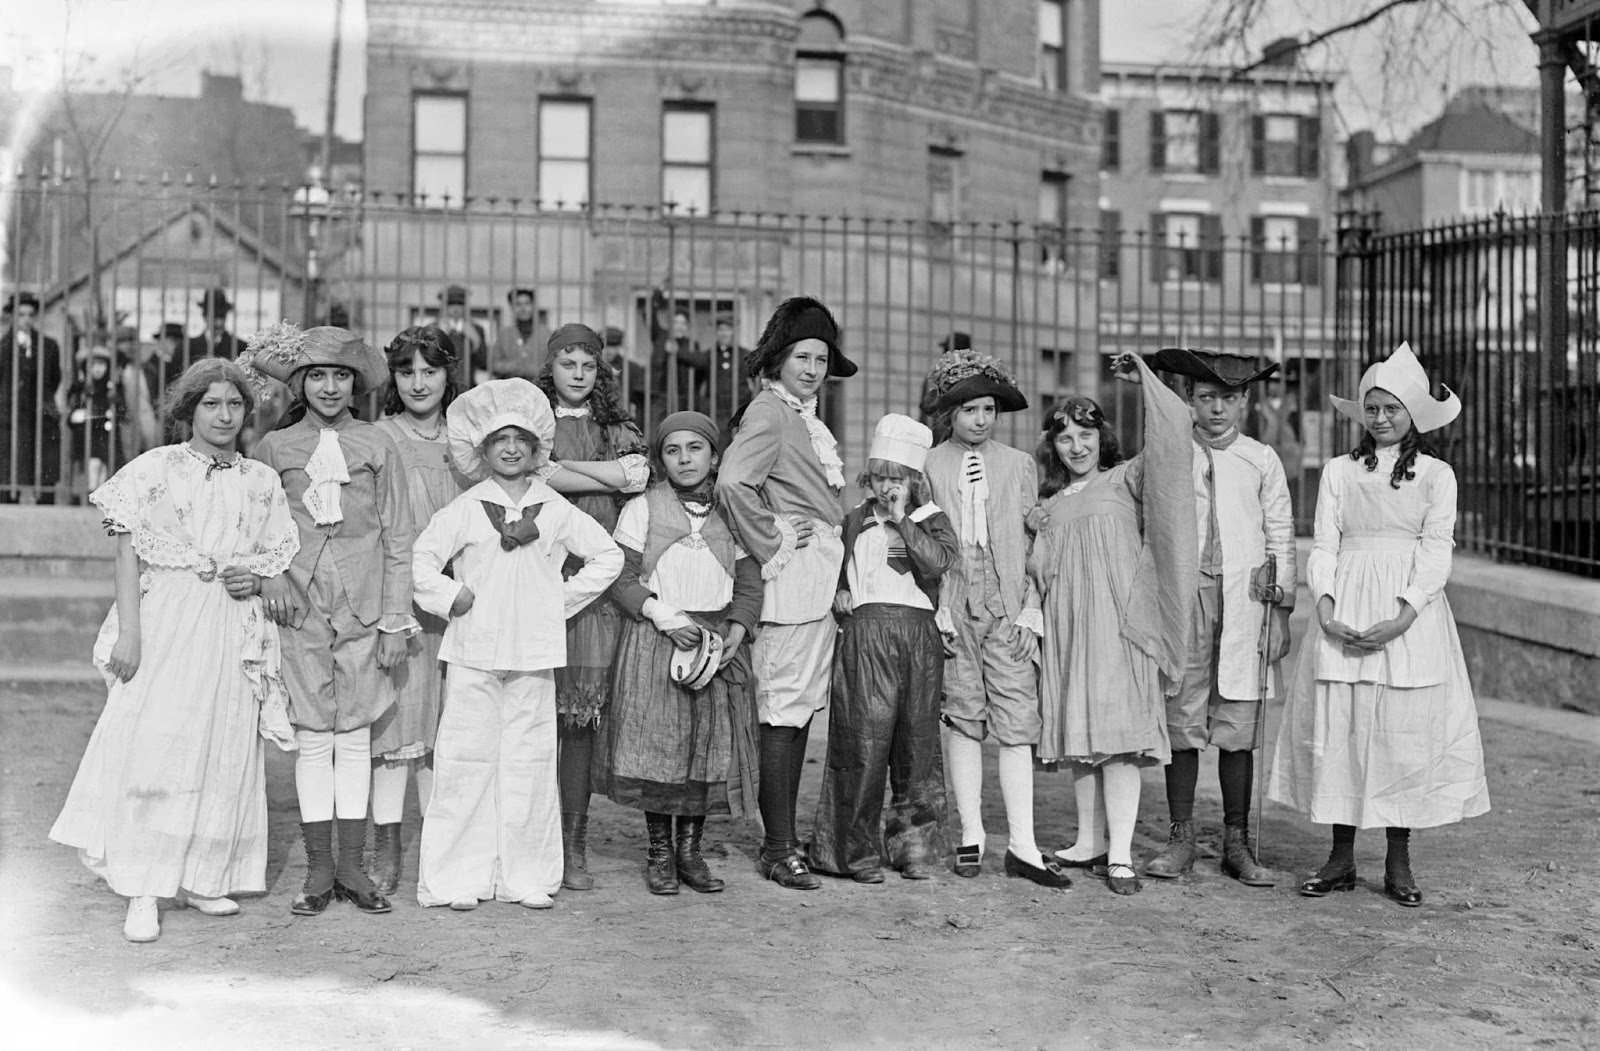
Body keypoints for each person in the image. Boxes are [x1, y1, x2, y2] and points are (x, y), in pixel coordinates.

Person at [49, 358, 299, 942]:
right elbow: (126, 555)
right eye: (211, 404)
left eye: (234, 404)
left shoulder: (259, 480)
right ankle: (145, 885)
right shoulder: (156, 468)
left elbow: (272, 557)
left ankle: (203, 876)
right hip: (168, 619)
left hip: (232, 625)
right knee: (158, 742)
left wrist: (256, 579)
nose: (224, 415)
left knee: (223, 742)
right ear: (188, 410)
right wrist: (131, 633)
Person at [1269, 342, 1489, 908]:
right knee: (1342, 725)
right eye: (1373, 407)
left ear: (1412, 415)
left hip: (1405, 613)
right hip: (1346, 603)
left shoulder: (1437, 477)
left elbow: (1437, 550)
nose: (1381, 418)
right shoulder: (1341, 473)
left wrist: (1405, 614)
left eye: (1392, 408)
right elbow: (1324, 542)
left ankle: (1398, 858)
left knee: (1400, 731)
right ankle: (1340, 856)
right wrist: (1323, 605)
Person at [412, 379, 623, 911]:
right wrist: (451, 594)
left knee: (528, 762)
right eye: (499, 439)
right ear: (481, 451)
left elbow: (607, 556)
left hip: (533, 651)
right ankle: (458, 877)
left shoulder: (553, 509)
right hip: (473, 649)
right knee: (465, 759)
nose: (510, 448)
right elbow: (421, 562)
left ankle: (526, 874)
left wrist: (560, 599)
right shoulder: (464, 509)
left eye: (521, 439)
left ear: (537, 450)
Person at [249, 323, 417, 918]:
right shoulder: (274, 449)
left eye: (340, 376)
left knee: (355, 735)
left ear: (356, 384)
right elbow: (260, 530)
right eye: (315, 375)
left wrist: (396, 619)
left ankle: (352, 863)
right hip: (299, 610)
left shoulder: (378, 444)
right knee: (313, 736)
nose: (328, 387)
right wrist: (273, 579)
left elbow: (399, 536)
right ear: (298, 383)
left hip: (365, 608)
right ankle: (319, 868)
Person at [1031, 354, 1197, 895]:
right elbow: (1037, 570)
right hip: (1070, 628)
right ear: (1052, 448)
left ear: (1103, 438)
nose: (1076, 447)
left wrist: (1143, 380)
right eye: (1064, 439)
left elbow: (1174, 435)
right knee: (1082, 734)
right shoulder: (1049, 505)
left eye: (1086, 435)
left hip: (1121, 625)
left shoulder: (1127, 479)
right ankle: (1088, 840)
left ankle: (1121, 853)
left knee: (1120, 737)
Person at [1140, 348, 1296, 887]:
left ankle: (1236, 840)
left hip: (1245, 601)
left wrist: (1281, 611)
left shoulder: (1260, 459)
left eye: (1228, 399)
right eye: (1206, 398)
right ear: (1188, 400)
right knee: (1182, 713)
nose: (1217, 410)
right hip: (1186, 598)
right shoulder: (1170, 454)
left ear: (1245, 401)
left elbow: (1280, 535)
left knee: (1237, 721)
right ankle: (1181, 835)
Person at [717, 296, 856, 891]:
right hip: (791, 576)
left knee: (796, 713)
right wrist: (774, 534)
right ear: (778, 358)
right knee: (781, 711)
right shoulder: (770, 412)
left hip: (816, 573)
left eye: (821, 359)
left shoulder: (801, 416)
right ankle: (777, 846)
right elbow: (731, 481)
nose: (813, 368)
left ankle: (784, 838)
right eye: (802, 356)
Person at [921, 347, 1067, 888]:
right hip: (955, 603)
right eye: (968, 411)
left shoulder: (1018, 465)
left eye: (987, 410)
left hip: (1006, 603)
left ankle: (1024, 843)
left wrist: (1031, 607)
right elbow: (922, 540)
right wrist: (936, 605)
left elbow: (1035, 540)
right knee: (962, 714)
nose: (980, 420)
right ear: (948, 416)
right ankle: (970, 832)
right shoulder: (931, 465)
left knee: (1015, 718)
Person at [603, 410, 762, 894]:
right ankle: (659, 852)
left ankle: (691, 852)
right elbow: (620, 577)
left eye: (695, 448)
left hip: (713, 644)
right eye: (673, 450)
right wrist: (662, 615)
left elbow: (750, 582)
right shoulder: (643, 508)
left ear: (715, 457)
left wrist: (739, 625)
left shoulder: (732, 511)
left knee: (705, 748)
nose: (685, 459)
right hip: (659, 640)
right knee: (662, 748)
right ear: (661, 459)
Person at [527, 322, 651, 890]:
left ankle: (573, 845)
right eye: (567, 364)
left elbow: (640, 477)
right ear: (549, 368)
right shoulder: (532, 424)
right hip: (540, 570)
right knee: (532, 715)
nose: (577, 375)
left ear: (600, 372)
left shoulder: (617, 426)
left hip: (599, 584)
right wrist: (605, 475)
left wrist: (562, 473)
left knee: (580, 720)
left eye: (588, 366)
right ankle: (532, 840)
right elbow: (535, 475)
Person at [810, 414, 957, 884]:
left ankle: (915, 847)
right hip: (867, 634)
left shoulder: (931, 522)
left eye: (897, 477)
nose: (887, 486)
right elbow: (838, 566)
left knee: (916, 745)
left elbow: (936, 565)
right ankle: (853, 852)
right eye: (879, 477)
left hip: (917, 635)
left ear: (915, 480)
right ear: (868, 479)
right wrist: (838, 591)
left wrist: (901, 522)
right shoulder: (854, 521)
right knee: (862, 743)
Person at [366, 326, 469, 895]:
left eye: (430, 371)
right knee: (395, 725)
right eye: (406, 372)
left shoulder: (469, 441)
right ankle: (385, 848)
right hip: (396, 599)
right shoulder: (378, 436)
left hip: (455, 601)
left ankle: (439, 848)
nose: (418, 383)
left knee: (443, 729)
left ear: (448, 374)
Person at [0, 291, 66, 502]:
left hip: (40, 416)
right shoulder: (2, 346)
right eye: (21, 314)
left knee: (44, 475)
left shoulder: (49, 346)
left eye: (30, 314)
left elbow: (54, 379)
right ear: (12, 316)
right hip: (10, 418)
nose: (26, 320)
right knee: (9, 473)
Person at [67, 341, 124, 493]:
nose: (98, 369)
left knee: (104, 464)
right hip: (85, 433)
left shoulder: (111, 389)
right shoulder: (79, 388)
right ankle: (90, 490)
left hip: (104, 433)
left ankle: (98, 490)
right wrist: (75, 415)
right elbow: (71, 412)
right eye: (93, 364)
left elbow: (120, 410)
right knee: (91, 463)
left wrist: (113, 413)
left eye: (102, 364)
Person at [649, 292, 709, 419]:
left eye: (683, 323)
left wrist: (677, 352)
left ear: (687, 326)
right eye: (676, 322)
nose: (679, 326)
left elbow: (700, 361)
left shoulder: (692, 344)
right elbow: (649, 316)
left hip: (684, 397)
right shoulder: (661, 337)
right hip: (662, 395)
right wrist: (657, 294)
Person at [433, 285, 488, 387]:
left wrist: (476, 341)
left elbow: (484, 363)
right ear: (444, 306)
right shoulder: (433, 328)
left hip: (467, 386)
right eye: (451, 304)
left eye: (460, 304)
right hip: (439, 386)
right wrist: (439, 335)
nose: (455, 308)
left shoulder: (477, 329)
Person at [491, 288, 551, 380]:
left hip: (539, 387)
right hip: (510, 387)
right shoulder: (504, 334)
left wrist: (532, 369)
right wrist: (513, 366)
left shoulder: (546, 333)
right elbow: (493, 364)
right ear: (511, 307)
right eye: (518, 304)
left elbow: (552, 365)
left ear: (533, 306)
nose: (523, 308)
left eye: (527, 303)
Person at [188, 288, 247, 364]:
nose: (219, 323)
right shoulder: (189, 348)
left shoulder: (241, 348)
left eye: (222, 316)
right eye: (214, 317)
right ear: (204, 317)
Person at [709, 315, 748, 428]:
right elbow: (696, 359)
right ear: (717, 332)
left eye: (727, 329)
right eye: (721, 329)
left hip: (740, 408)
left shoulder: (743, 354)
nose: (724, 333)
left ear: (732, 332)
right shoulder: (711, 354)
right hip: (718, 409)